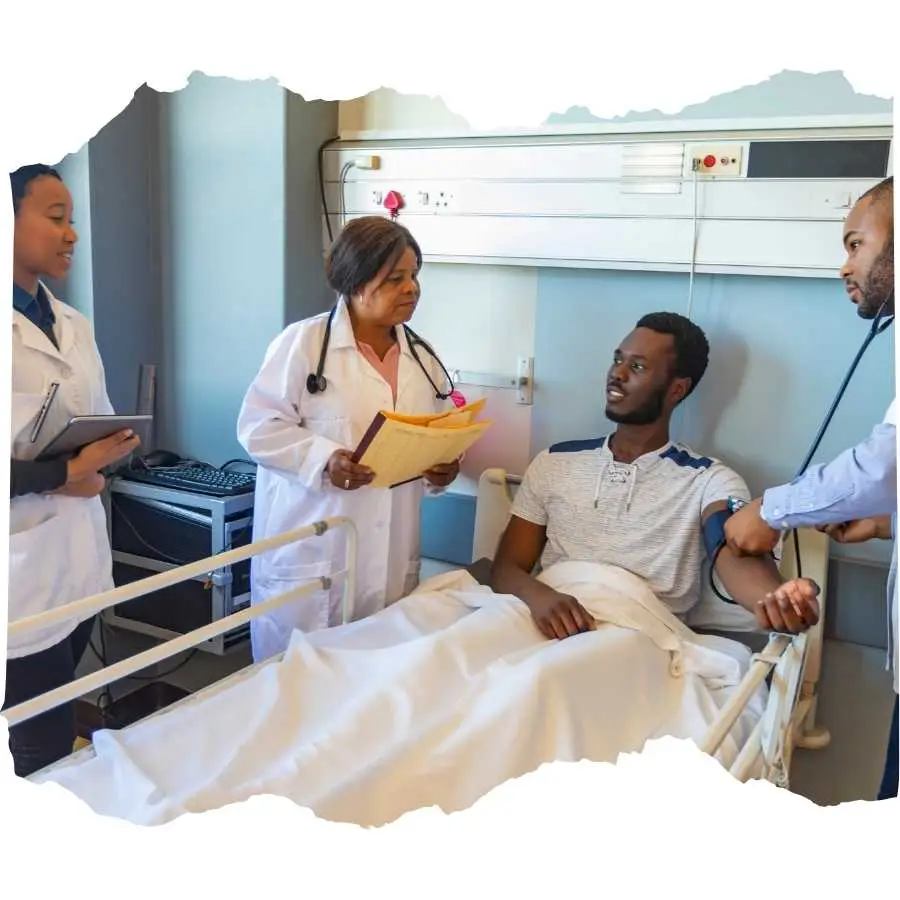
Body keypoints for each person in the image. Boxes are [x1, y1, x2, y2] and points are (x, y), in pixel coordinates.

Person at [490, 311, 821, 641]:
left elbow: (732, 550)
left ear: (676, 389)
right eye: (617, 360)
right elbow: (505, 571)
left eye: (636, 367)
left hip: (634, 636)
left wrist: (773, 599)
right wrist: (539, 596)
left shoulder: (708, 480)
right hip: (538, 619)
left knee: (538, 683)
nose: (616, 374)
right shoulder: (554, 462)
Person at [724, 176, 896, 800]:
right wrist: (886, 525)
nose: (845, 266)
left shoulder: (708, 480)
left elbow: (886, 465)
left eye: (856, 244)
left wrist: (773, 508)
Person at [237, 216, 461, 662]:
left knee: (372, 693)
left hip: (390, 559)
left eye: (414, 275)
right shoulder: (303, 345)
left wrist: (442, 468)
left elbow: (437, 435)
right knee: (297, 694)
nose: (412, 288)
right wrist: (324, 460)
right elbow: (258, 428)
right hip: (312, 559)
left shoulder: (423, 359)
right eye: (395, 278)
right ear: (356, 282)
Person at [5, 164, 140, 778]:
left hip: (78, 561)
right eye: (55, 218)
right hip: (20, 576)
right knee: (39, 739)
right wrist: (66, 472)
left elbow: (101, 416)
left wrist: (109, 451)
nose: (71, 235)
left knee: (57, 706)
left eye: (72, 220)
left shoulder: (74, 325)